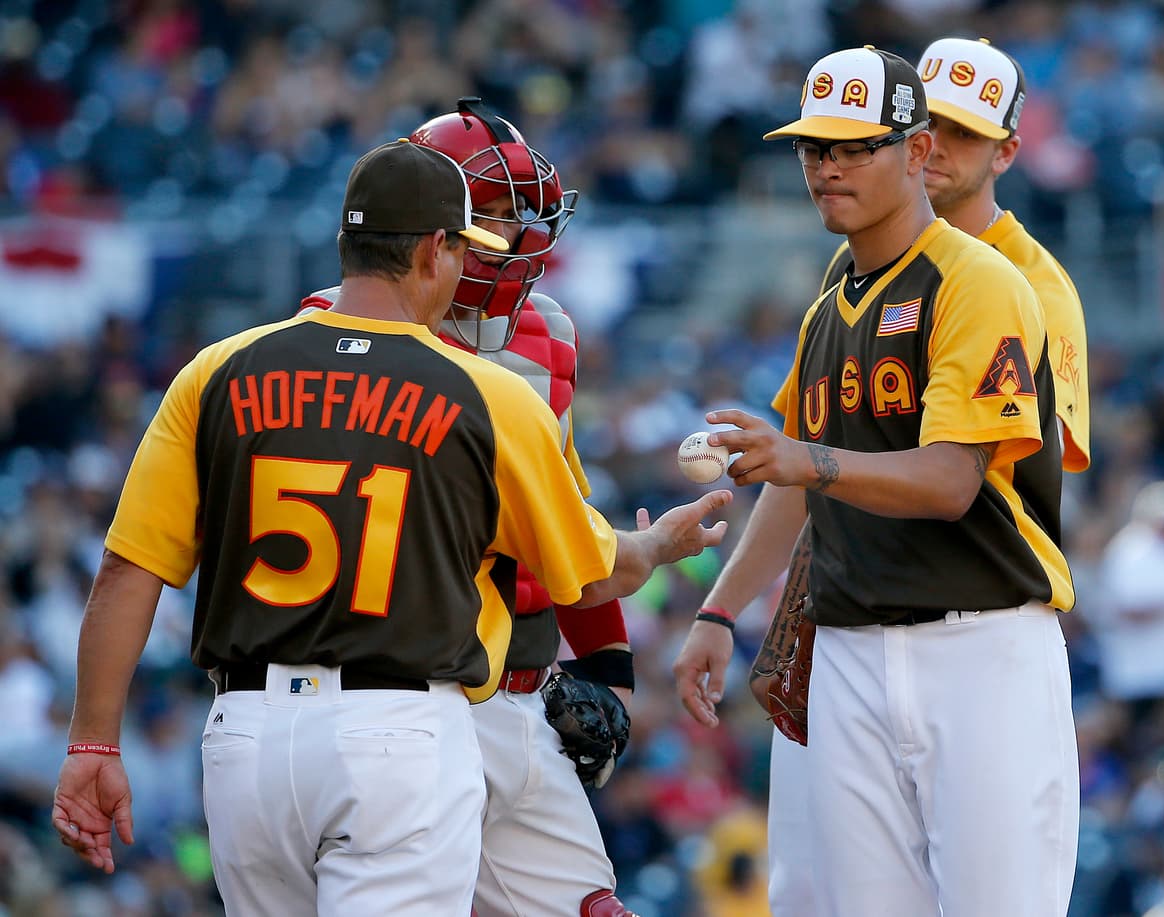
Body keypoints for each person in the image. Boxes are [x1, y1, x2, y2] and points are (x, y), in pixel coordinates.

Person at [51, 138, 732, 916]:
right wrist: (663, 543)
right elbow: (592, 568)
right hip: (399, 726)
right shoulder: (490, 393)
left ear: (348, 244)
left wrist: (94, 741)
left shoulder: (215, 369)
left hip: (244, 734)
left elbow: (126, 569)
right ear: (438, 249)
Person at [672, 45, 1078, 917]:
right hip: (852, 642)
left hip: (980, 637)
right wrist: (718, 610)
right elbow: (796, 475)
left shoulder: (994, 283)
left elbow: (949, 483)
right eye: (816, 147)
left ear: (916, 152)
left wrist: (805, 458)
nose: (830, 165)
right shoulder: (831, 299)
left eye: (856, 146)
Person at [302, 98, 641, 917]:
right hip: (408, 684)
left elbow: (564, 512)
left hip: (523, 684)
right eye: (489, 213)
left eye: (523, 211)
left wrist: (608, 669)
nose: (517, 233)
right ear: (428, 227)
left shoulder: (549, 332)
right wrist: (653, 548)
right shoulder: (336, 327)